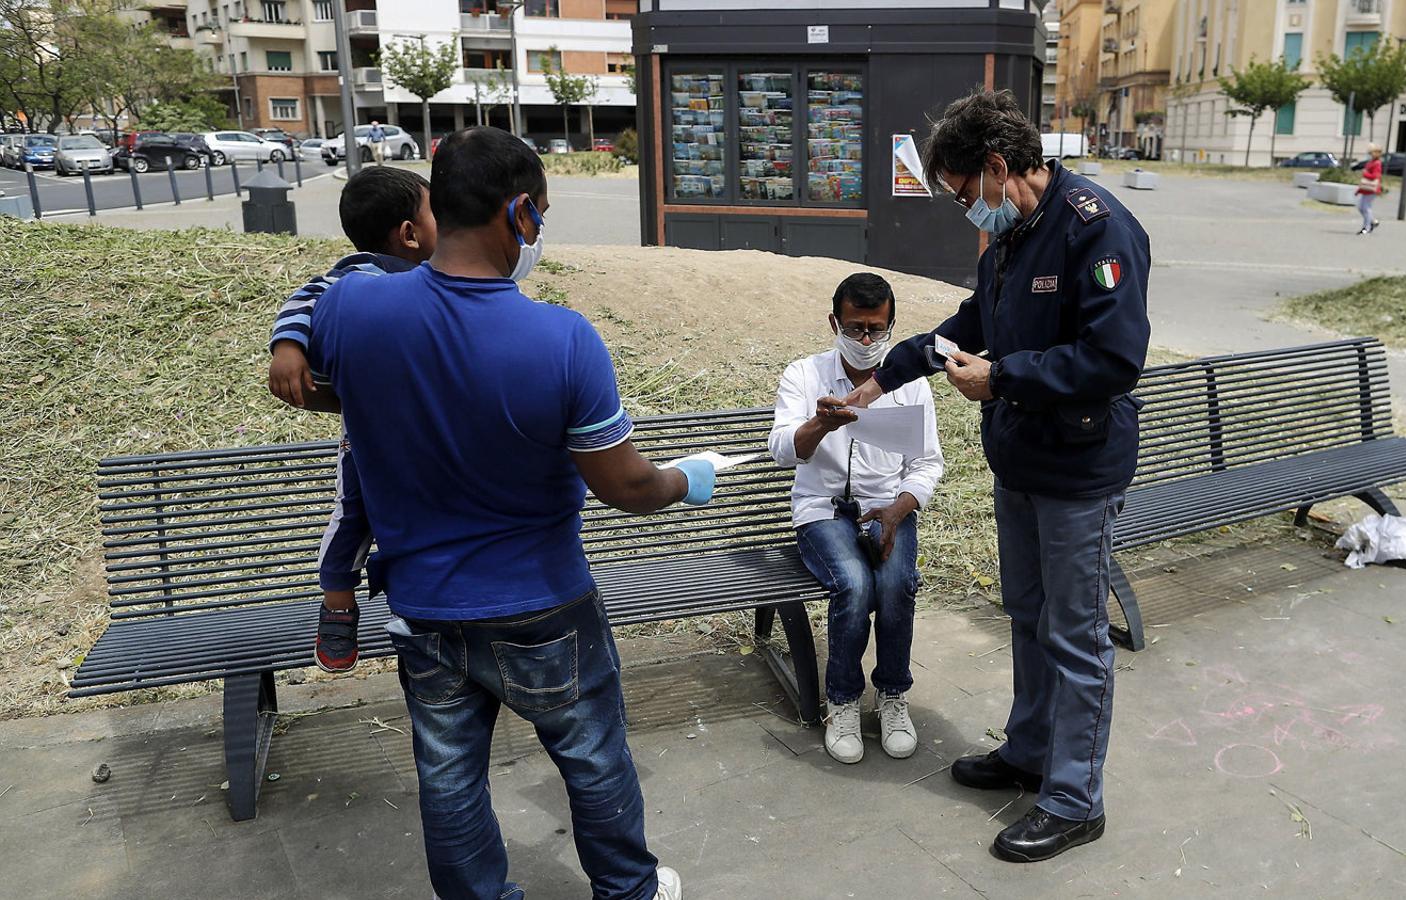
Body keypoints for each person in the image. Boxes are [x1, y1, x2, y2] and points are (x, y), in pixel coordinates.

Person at [305, 126, 707, 900]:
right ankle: (629, 890)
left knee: (449, 781)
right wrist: (685, 480)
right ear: (519, 212)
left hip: (424, 607)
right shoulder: (563, 339)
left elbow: (320, 386)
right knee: (594, 761)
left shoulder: (352, 307)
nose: (539, 231)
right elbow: (625, 487)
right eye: (541, 214)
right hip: (544, 603)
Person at [840, 89, 1150, 864]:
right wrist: (878, 382)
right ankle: (1031, 750)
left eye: (962, 194)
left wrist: (1003, 377)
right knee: (1028, 616)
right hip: (1020, 460)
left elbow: (1114, 360)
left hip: (1078, 470)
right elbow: (969, 326)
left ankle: (1075, 800)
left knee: (1074, 636)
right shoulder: (1012, 237)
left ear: (999, 166)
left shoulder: (1098, 229)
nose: (965, 211)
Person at [768, 273, 944, 764]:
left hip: (888, 507)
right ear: (834, 323)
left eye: (876, 329)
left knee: (897, 584)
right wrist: (820, 424)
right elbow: (781, 450)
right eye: (855, 328)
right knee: (854, 584)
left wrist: (898, 510)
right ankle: (843, 701)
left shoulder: (910, 384)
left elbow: (927, 464)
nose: (866, 340)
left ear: (891, 325)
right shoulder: (804, 374)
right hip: (823, 509)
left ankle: (892, 694)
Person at [265, 165, 436, 672]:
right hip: (366, 440)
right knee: (351, 519)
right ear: (409, 234)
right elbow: (304, 299)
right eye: (439, 215)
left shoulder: (438, 279)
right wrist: (288, 347)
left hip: (423, 441)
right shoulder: (358, 277)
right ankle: (338, 607)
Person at [1357, 143, 1384, 235]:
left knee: (1366, 207)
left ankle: (1367, 227)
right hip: (1366, 188)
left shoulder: (1377, 164)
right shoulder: (1370, 162)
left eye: (1371, 152)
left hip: (1371, 188)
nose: (1370, 154)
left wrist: (1365, 173)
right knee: (1361, 207)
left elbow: (1375, 176)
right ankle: (1372, 221)